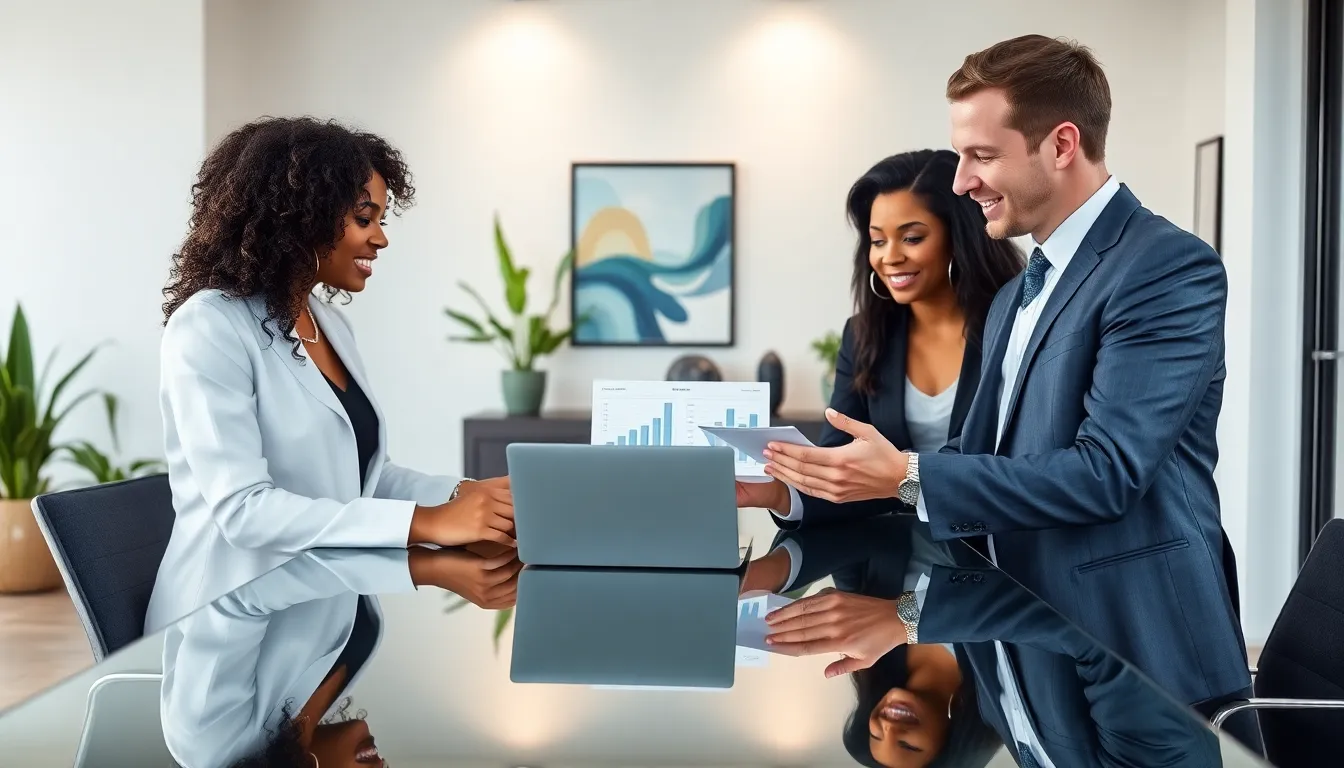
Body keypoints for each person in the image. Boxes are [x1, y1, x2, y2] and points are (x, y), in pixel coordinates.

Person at [758, 34, 1258, 748]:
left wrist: (906, 476)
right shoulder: (1016, 295)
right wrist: (820, 498)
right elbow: (978, 457)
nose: (962, 181)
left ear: (1062, 145)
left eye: (982, 156)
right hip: (1029, 637)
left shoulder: (1165, 268)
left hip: (1140, 652)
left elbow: (1106, 473)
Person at [147, 117, 515, 632]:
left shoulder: (328, 324)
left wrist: (464, 496)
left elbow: (363, 477)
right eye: (365, 218)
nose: (381, 238)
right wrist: (429, 526)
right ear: (302, 215)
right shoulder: (209, 325)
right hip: (224, 623)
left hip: (319, 603)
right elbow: (244, 511)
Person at [735, 149, 1021, 523]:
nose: (890, 257)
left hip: (997, 543)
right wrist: (777, 493)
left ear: (959, 237)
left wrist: (901, 478)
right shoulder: (863, 335)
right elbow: (838, 471)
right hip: (892, 552)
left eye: (912, 238)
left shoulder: (1017, 324)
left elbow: (1020, 465)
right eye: (877, 240)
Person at [160, 546, 521, 768]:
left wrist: (423, 567)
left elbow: (235, 587)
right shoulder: (311, 710)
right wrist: (453, 537)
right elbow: (350, 516)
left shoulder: (206, 741)